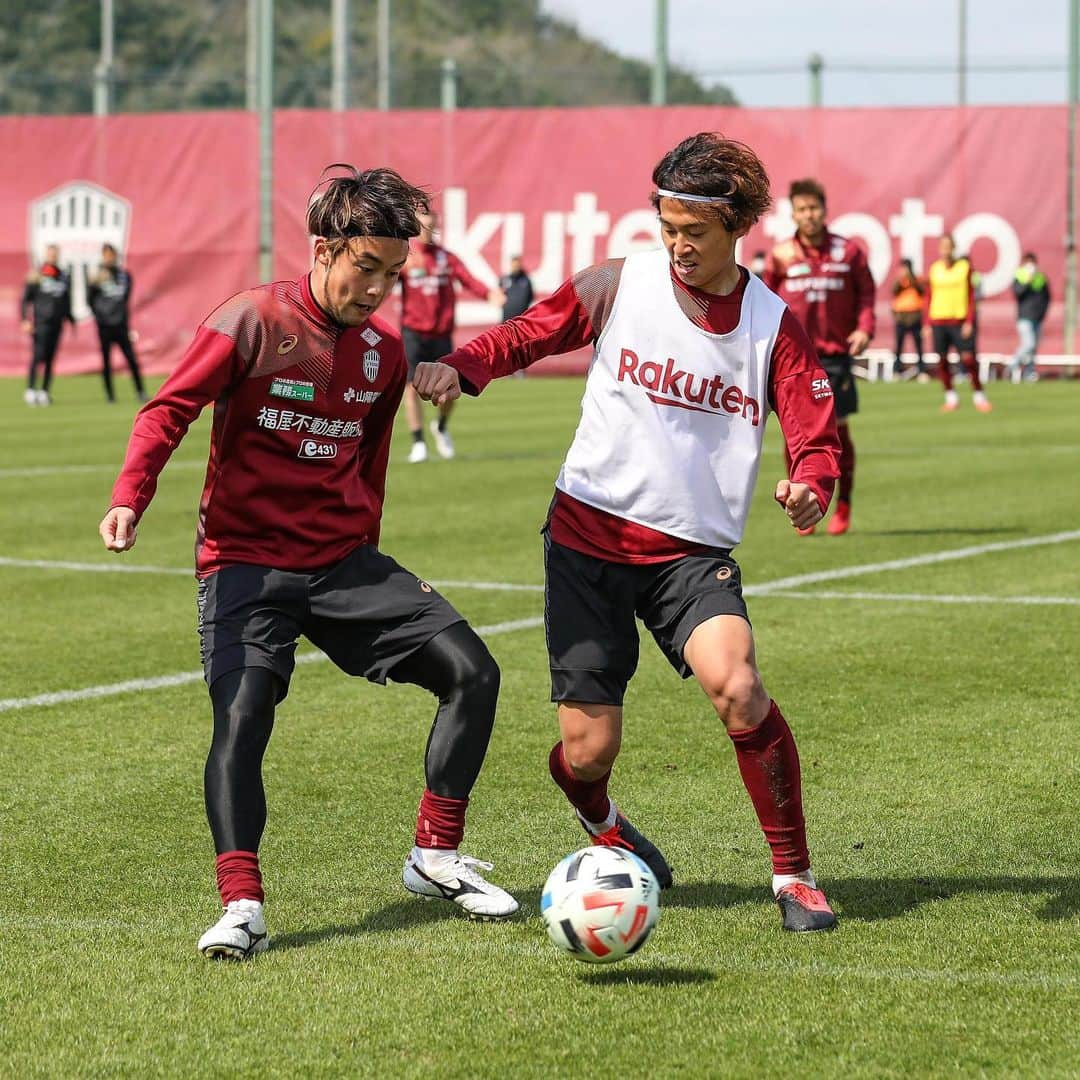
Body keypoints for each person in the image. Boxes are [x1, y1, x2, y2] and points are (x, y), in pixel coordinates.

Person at [414, 132, 843, 933]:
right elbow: (528, 332)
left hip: (690, 556)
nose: (678, 245)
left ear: (739, 223)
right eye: (668, 226)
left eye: (696, 231)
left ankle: (794, 877)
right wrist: (462, 365)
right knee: (586, 753)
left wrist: (811, 486)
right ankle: (601, 819)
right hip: (586, 544)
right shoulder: (621, 282)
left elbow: (815, 432)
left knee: (740, 689)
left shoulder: (772, 324)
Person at [98, 166, 519, 961]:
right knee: (245, 714)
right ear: (325, 250)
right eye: (368, 268)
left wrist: (361, 547)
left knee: (473, 671)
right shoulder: (251, 320)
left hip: (341, 564)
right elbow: (168, 410)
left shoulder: (385, 355)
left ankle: (435, 858)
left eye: (393, 275)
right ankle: (242, 904)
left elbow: (369, 464)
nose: (380, 290)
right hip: (245, 564)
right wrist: (131, 495)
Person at [764, 178, 875, 537]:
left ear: (824, 210)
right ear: (793, 213)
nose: (808, 215)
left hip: (835, 357)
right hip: (791, 361)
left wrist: (864, 328)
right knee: (794, 438)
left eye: (814, 208)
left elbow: (867, 296)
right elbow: (764, 302)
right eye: (801, 209)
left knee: (838, 434)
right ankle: (800, 503)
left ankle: (843, 503)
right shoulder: (780, 255)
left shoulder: (849, 252)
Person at [399, 209, 504, 462]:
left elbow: (468, 280)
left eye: (431, 226)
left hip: (441, 334)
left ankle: (441, 426)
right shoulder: (406, 257)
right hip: (412, 332)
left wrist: (490, 294)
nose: (427, 230)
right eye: (422, 225)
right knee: (411, 387)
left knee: (448, 387)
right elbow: (383, 279)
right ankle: (418, 442)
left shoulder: (446, 258)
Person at [926, 234, 991, 413]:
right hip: (939, 320)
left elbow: (971, 295)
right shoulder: (935, 269)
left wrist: (970, 320)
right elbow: (929, 296)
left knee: (968, 359)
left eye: (948, 247)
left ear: (953, 248)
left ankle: (979, 395)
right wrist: (926, 322)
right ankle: (951, 397)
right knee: (942, 360)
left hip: (959, 321)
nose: (945, 250)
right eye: (942, 247)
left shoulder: (964, 268)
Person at [87, 243, 149, 404]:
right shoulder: (97, 277)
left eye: (111, 255)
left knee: (131, 360)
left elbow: (125, 298)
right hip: (104, 326)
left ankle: (140, 391)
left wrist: (121, 316)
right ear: (103, 256)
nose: (109, 258)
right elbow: (90, 300)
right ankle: (110, 395)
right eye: (106, 255)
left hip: (121, 325)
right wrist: (100, 316)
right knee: (107, 361)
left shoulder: (124, 275)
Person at [20, 243, 74, 406]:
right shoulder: (37, 274)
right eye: (50, 254)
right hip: (40, 323)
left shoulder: (63, 276)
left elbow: (66, 301)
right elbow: (25, 300)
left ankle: (44, 391)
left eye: (55, 254)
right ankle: (30, 389)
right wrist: (25, 319)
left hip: (57, 323)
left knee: (51, 358)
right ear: (46, 255)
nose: (53, 257)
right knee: (38, 356)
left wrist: (70, 318)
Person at [1009, 252, 1050, 382]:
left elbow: (1047, 297)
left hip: (1038, 317)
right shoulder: (1019, 276)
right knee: (1029, 343)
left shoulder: (1041, 277)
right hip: (1024, 317)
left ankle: (1029, 372)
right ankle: (1012, 364)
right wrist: (1027, 280)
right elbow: (1017, 293)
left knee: (1034, 348)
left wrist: (1042, 313)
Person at [890, 258, 928, 381]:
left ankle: (922, 371)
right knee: (899, 346)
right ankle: (897, 371)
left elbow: (921, 291)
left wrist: (911, 278)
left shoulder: (917, 280)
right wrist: (902, 279)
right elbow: (894, 291)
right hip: (901, 316)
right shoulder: (899, 281)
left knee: (919, 346)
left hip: (915, 316)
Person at [499, 255, 534, 322]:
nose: (516, 267)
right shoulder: (504, 280)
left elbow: (530, 297)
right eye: (514, 265)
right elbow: (499, 296)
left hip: (521, 319)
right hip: (507, 319)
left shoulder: (526, 280)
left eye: (517, 265)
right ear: (511, 265)